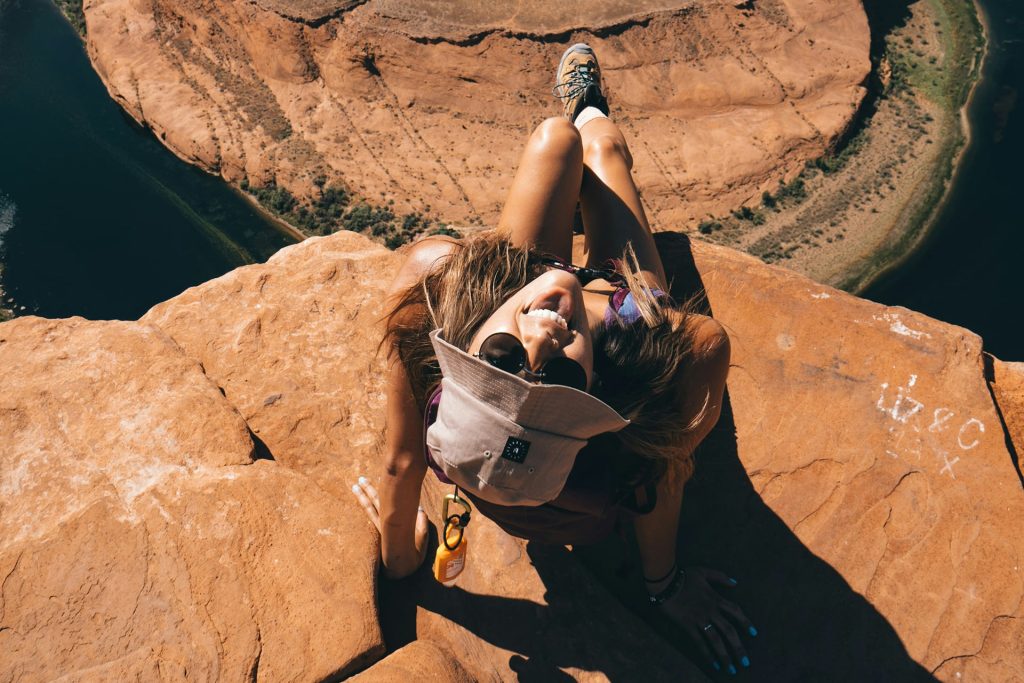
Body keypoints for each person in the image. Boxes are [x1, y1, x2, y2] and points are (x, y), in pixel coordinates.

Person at [352, 43, 755, 675]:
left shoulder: (433, 303)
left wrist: (400, 555)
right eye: (561, 378)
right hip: (611, 309)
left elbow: (402, 461)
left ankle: (573, 133)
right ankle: (591, 111)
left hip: (512, 290)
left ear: (462, 349)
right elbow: (662, 482)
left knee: (552, 141)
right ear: (595, 393)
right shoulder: (653, 350)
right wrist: (665, 587)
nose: (543, 334)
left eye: (502, 359)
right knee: (601, 148)